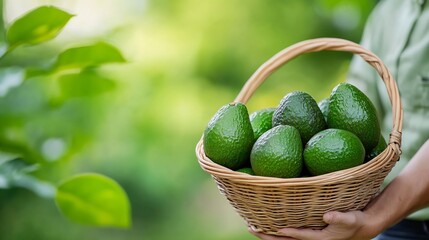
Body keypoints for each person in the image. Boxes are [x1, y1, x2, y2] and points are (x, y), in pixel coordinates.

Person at [251, 0, 429, 239]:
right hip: (390, 214)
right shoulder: (388, 12)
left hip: (387, 211)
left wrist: (376, 217)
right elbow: (351, 107)